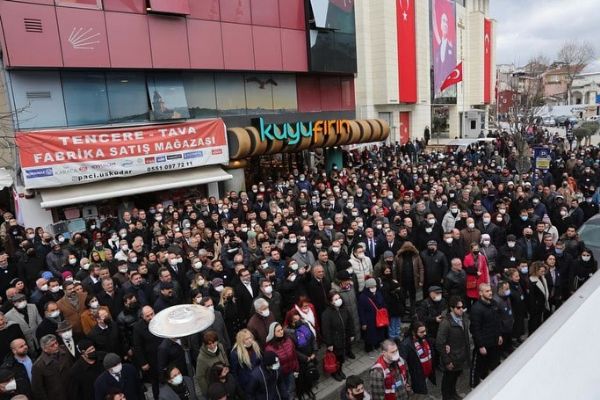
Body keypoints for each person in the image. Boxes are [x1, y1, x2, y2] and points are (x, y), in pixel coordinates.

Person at [436, 296, 470, 400]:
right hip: (452, 358)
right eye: (458, 308)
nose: (461, 310)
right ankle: (446, 397)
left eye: (462, 307)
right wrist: (447, 360)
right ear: (451, 308)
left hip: (461, 355)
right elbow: (439, 343)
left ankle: (453, 393)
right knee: (448, 379)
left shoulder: (463, 317)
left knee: (455, 377)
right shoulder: (446, 323)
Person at [469, 284, 502, 388]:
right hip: (484, 343)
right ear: (480, 293)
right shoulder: (476, 309)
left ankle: (488, 380)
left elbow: (497, 321)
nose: (490, 292)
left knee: (493, 363)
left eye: (490, 290)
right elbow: (475, 329)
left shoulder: (494, 304)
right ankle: (474, 386)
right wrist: (480, 345)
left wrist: (499, 335)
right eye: (487, 291)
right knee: (478, 366)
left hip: (494, 341)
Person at [321, 291, 354, 382]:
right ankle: (335, 372)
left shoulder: (344, 309)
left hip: (344, 338)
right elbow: (326, 330)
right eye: (336, 299)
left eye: (339, 298)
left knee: (341, 357)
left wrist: (351, 334)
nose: (339, 300)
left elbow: (350, 322)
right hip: (335, 341)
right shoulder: (326, 314)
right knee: (336, 357)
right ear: (331, 302)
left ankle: (340, 370)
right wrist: (329, 344)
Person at [31, 334, 74, 400]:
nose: (56, 346)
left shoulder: (65, 351)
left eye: (56, 343)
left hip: (72, 392)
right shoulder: (38, 366)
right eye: (52, 345)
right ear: (45, 349)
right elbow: (38, 390)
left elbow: (72, 368)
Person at [398, 321, 435, 397]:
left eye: (425, 331)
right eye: (421, 332)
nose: (424, 333)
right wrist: (406, 382)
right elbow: (402, 364)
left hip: (426, 375)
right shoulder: (406, 345)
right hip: (416, 378)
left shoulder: (425, 338)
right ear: (413, 332)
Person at [265, 322, 299, 400]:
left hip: (290, 372)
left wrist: (296, 368)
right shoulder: (269, 348)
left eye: (281, 329)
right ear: (273, 333)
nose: (281, 332)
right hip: (280, 376)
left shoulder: (288, 340)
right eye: (278, 331)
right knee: (284, 394)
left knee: (291, 392)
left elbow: (294, 355)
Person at [195, 330, 228, 396]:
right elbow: (200, 377)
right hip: (214, 385)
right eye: (209, 344)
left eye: (214, 342)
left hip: (224, 379)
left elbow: (224, 357)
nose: (212, 346)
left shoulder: (220, 346)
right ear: (205, 344)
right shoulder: (201, 358)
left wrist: (227, 366)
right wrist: (208, 392)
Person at [358, 278, 387, 352]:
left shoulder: (378, 293)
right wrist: (363, 323)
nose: (373, 289)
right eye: (371, 287)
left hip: (379, 318)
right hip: (369, 320)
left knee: (379, 333)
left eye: (374, 286)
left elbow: (383, 304)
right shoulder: (362, 297)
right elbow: (361, 311)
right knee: (369, 335)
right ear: (367, 288)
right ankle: (368, 348)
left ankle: (377, 344)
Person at [463, 242, 489, 309]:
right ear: (471, 250)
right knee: (471, 297)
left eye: (477, 249)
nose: (476, 250)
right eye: (474, 249)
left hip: (481, 280)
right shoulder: (467, 258)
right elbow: (466, 269)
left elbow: (485, 269)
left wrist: (486, 281)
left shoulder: (482, 257)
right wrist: (475, 272)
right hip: (471, 281)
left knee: (479, 297)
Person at [527, 261, 550, 335]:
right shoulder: (531, 281)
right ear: (536, 271)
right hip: (535, 307)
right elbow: (531, 297)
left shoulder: (542, 278)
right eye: (541, 271)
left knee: (539, 321)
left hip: (541, 304)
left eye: (544, 271)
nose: (543, 273)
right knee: (534, 323)